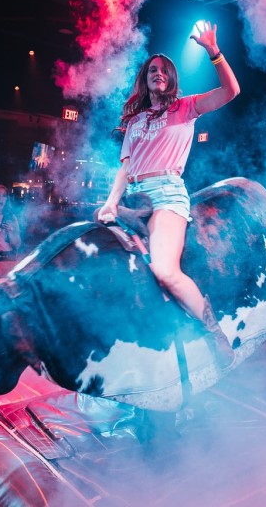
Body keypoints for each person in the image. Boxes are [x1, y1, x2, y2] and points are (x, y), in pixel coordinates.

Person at [97, 21, 240, 367]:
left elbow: (231, 92)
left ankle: (213, 334)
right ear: (145, 80)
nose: (157, 73)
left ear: (171, 78)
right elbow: (125, 169)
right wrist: (110, 201)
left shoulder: (185, 107)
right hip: (133, 197)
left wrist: (213, 51)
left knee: (164, 271)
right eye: (152, 71)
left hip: (167, 195)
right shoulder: (134, 122)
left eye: (163, 70)